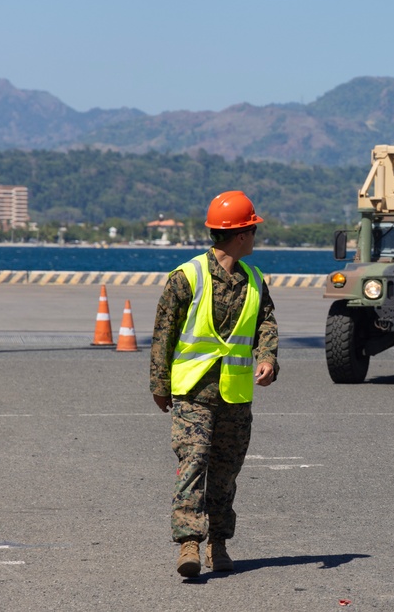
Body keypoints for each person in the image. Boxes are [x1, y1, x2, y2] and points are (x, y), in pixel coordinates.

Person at [149, 190, 279, 578]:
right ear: (240, 234)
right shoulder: (186, 277)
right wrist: (159, 385)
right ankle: (189, 542)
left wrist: (268, 357)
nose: (255, 236)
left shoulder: (254, 280)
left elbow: (266, 322)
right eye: (253, 230)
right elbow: (164, 333)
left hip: (235, 396)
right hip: (193, 392)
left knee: (225, 473)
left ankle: (218, 543)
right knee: (194, 462)